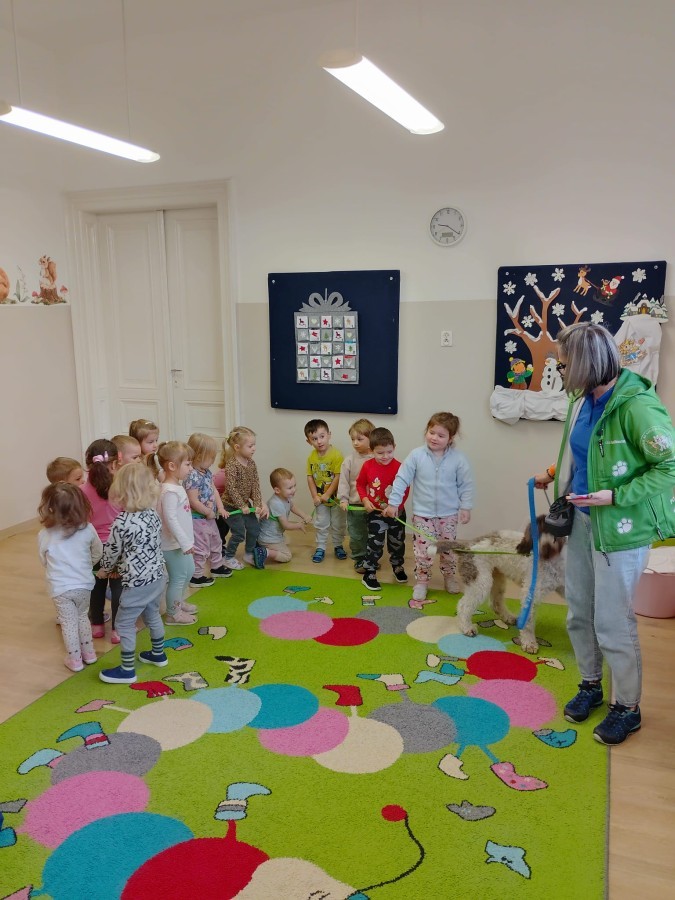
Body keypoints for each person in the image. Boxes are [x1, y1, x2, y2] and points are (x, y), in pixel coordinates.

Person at [534, 322, 675, 746]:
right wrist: (555, 472)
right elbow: (588, 452)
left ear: (586, 364)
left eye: (564, 364)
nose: (561, 370)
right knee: (579, 612)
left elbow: (669, 467)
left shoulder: (637, 407)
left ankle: (627, 707)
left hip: (621, 529)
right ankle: (591, 684)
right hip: (582, 521)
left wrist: (615, 496)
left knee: (613, 621)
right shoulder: (584, 400)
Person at [384, 412, 474, 608]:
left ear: (451, 438)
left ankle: (449, 576)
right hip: (423, 515)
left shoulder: (458, 459)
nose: (434, 438)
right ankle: (422, 580)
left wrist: (466, 507)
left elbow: (465, 485)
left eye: (441, 435)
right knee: (423, 551)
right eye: (432, 432)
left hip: (448, 515)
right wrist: (394, 503)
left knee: (447, 549)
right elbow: (402, 479)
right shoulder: (416, 455)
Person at [98, 464, 169, 684]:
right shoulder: (153, 514)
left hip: (138, 584)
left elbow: (111, 552)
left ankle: (127, 670)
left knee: (124, 624)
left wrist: (104, 570)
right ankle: (158, 654)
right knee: (152, 613)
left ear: (121, 492)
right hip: (158, 576)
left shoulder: (121, 523)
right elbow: (142, 547)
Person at [38, 483, 101, 672]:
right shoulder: (88, 529)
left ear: (49, 508)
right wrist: (87, 565)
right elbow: (98, 552)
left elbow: (43, 560)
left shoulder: (45, 534)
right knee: (82, 617)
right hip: (84, 584)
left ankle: (75, 660)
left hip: (60, 588)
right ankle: (89, 653)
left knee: (68, 622)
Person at [357, 427, 409, 591]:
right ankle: (370, 572)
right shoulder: (367, 466)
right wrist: (365, 500)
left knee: (397, 543)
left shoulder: (400, 467)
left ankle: (397, 566)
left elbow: (405, 489)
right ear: (371, 450)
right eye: (380, 453)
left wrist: (396, 507)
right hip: (376, 513)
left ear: (394, 447)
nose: (385, 456)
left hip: (396, 513)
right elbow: (360, 484)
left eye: (389, 451)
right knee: (374, 543)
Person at [81, 439, 122, 642]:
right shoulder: (120, 487)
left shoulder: (80, 490)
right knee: (118, 589)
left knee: (96, 587)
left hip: (92, 547)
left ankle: (96, 625)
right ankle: (117, 630)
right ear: (115, 463)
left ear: (88, 464)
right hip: (118, 546)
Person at [158, 441, 198, 625]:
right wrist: (185, 542)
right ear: (172, 466)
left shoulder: (176, 487)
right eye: (187, 464)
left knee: (189, 571)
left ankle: (178, 603)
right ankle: (173, 614)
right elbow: (170, 519)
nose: (191, 468)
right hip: (172, 544)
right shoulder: (169, 491)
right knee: (178, 577)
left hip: (181, 543)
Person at [185, 432, 231, 586]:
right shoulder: (191, 475)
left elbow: (214, 490)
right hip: (197, 519)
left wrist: (221, 507)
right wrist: (207, 512)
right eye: (211, 457)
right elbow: (192, 500)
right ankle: (196, 576)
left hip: (210, 517)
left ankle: (217, 567)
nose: (213, 461)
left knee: (216, 541)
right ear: (198, 456)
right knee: (201, 547)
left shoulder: (207, 472)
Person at [220, 426, 269, 569]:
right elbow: (231, 488)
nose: (254, 448)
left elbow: (255, 484)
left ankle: (248, 553)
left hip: (246, 505)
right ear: (237, 447)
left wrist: (258, 504)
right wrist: (241, 506)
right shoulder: (232, 465)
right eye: (250, 446)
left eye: (254, 445)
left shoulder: (251, 463)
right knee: (239, 533)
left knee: (254, 529)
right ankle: (228, 557)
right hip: (230, 506)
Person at [305, 418, 347, 563]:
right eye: (314, 439)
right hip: (320, 500)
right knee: (321, 523)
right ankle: (321, 547)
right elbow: (310, 477)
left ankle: (338, 545)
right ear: (309, 441)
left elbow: (338, 477)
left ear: (329, 434)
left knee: (338, 523)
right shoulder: (311, 457)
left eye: (322, 436)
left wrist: (328, 494)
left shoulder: (336, 455)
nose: (319, 441)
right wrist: (315, 496)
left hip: (336, 500)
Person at [338, 418, 375, 573]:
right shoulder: (349, 460)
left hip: (374, 507)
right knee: (357, 535)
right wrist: (343, 499)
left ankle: (372, 559)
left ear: (371, 438)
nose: (355, 443)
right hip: (355, 506)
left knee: (374, 535)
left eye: (360, 439)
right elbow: (344, 482)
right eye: (353, 439)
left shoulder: (378, 458)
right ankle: (360, 559)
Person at [257, 468, 313, 563]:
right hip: (268, 538)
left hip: (273, 535)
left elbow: (292, 506)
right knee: (287, 556)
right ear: (277, 490)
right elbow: (286, 525)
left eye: (294, 486)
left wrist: (304, 515)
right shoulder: (276, 504)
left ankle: (262, 546)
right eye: (290, 488)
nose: (294, 490)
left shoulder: (285, 497)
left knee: (286, 541)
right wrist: (298, 525)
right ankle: (263, 552)